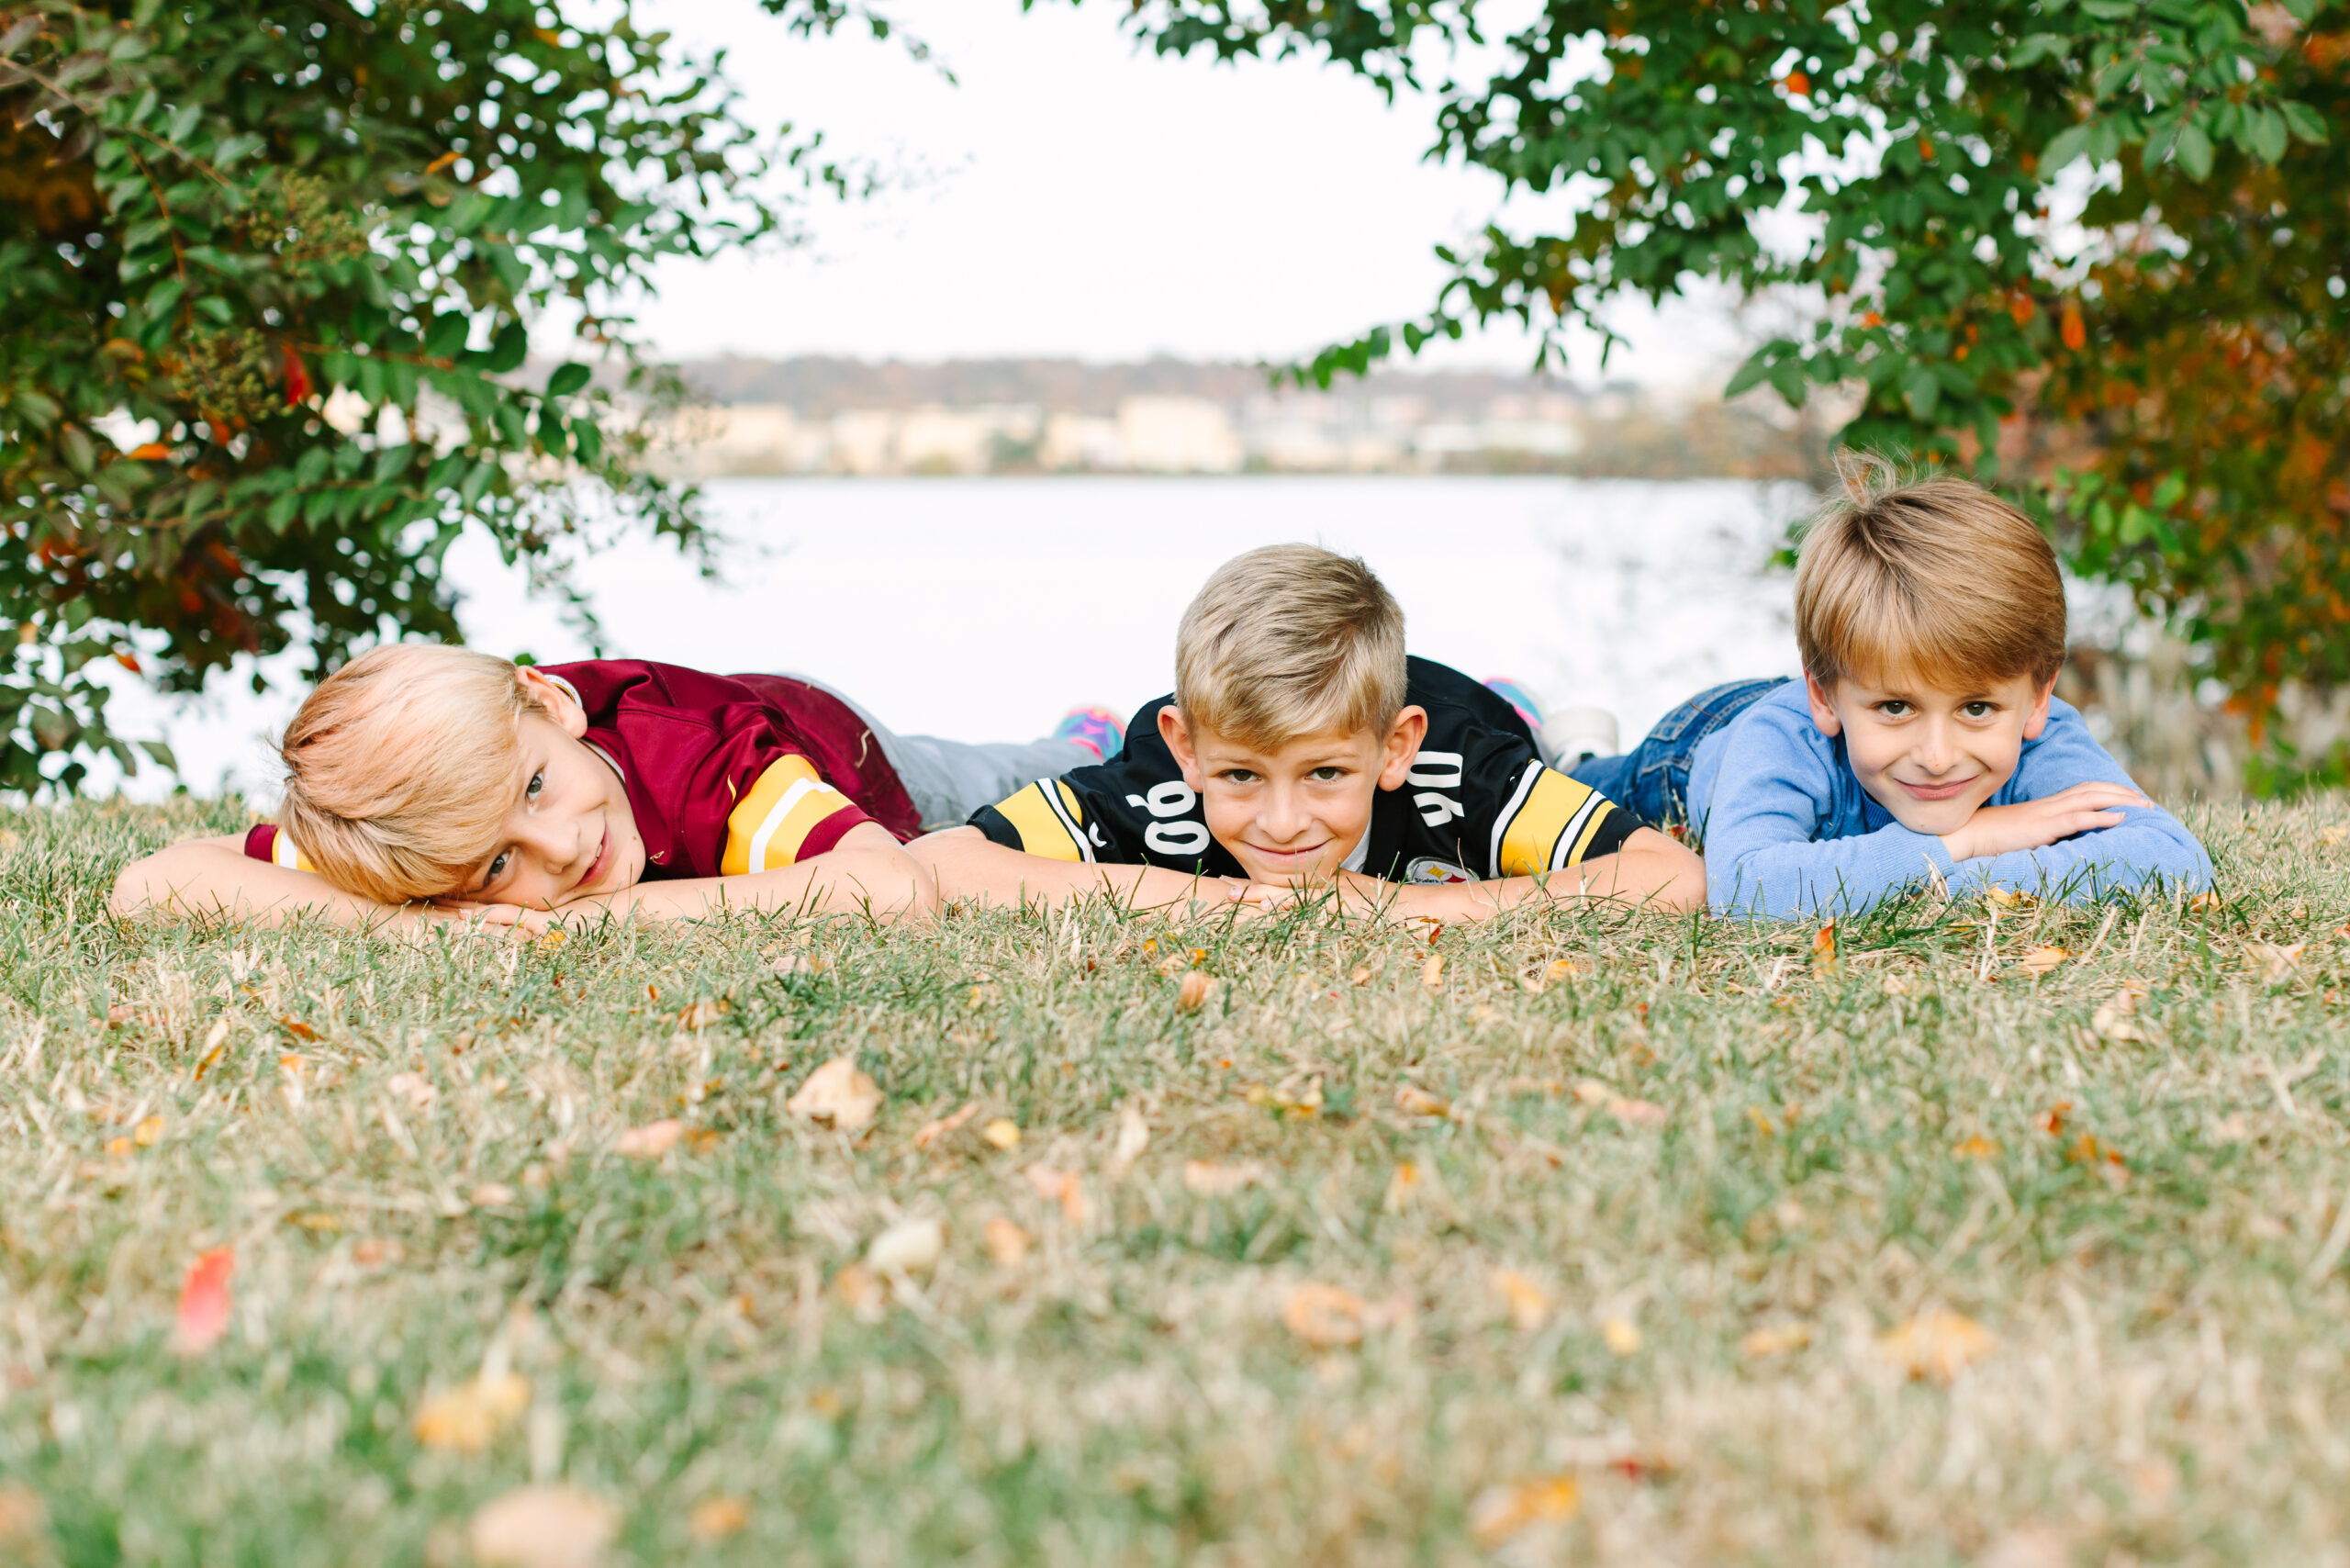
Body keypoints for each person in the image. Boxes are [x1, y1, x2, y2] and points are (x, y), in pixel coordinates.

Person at [1567, 454, 2214, 917]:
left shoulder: (2044, 735)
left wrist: (1930, 874)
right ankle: (1570, 747)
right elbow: (1747, 890)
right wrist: (1967, 840)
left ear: (2038, 697)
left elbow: (2172, 861)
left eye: (1977, 708)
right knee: (1577, 800)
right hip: (1701, 743)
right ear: (1827, 696)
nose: (1938, 755)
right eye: (1898, 708)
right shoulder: (1784, 739)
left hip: (1843, 681)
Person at [910, 544, 1706, 919]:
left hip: (1482, 722)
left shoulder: (1454, 764)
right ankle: (1086, 736)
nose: (1282, 823)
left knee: (1562, 761)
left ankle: (1531, 713)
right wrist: (1202, 901)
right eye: (1240, 777)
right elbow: (939, 864)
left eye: (1324, 775)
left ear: (1394, 748)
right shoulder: (1160, 781)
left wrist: (1393, 914)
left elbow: (1674, 878)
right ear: (1189, 750)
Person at [109, 644, 1127, 930]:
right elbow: (150, 884)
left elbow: (895, 891)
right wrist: (416, 926)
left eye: (538, 788)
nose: (559, 851)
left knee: (1015, 788)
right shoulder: (416, 818)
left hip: (838, 751)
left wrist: (583, 926)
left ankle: (1073, 735)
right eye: (495, 863)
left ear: (550, 705)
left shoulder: (710, 773)